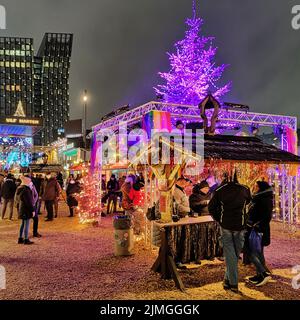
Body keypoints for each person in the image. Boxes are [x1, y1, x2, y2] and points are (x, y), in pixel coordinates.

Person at [208, 172, 251, 293]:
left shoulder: (220, 190)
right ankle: (233, 283)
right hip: (240, 225)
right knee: (234, 255)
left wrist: (219, 219)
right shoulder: (245, 189)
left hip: (226, 226)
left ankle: (229, 281)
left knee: (231, 255)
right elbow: (248, 202)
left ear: (225, 177)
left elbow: (211, 208)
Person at [244, 181, 273, 286]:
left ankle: (263, 275)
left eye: (257, 186)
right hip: (253, 228)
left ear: (261, 188)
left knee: (257, 252)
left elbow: (267, 216)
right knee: (255, 251)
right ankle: (259, 274)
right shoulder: (257, 197)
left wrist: (257, 226)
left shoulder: (264, 199)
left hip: (259, 230)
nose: (255, 187)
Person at [16, 176, 35, 245]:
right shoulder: (26, 189)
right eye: (29, 181)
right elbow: (29, 202)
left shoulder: (19, 188)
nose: (30, 182)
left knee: (22, 224)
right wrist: (32, 210)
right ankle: (26, 239)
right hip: (26, 209)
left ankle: (20, 238)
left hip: (21, 208)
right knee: (26, 224)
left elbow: (17, 200)